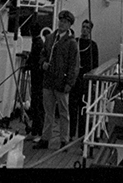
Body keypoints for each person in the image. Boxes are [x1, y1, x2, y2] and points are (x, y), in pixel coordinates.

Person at [34, 9, 80, 151]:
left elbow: (74, 65)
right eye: (61, 21)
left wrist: (69, 83)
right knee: (48, 112)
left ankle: (64, 141)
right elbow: (43, 55)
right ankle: (45, 138)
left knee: (63, 113)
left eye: (65, 22)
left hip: (62, 83)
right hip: (48, 81)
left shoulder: (72, 43)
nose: (62, 23)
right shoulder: (49, 39)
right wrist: (43, 63)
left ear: (69, 25)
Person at [70, 18, 100, 140]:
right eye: (83, 27)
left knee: (83, 109)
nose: (85, 29)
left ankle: (81, 135)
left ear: (91, 30)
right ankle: (71, 134)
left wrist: (93, 81)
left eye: (87, 28)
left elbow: (95, 65)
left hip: (85, 81)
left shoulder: (93, 46)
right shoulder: (75, 42)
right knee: (72, 107)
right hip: (74, 80)